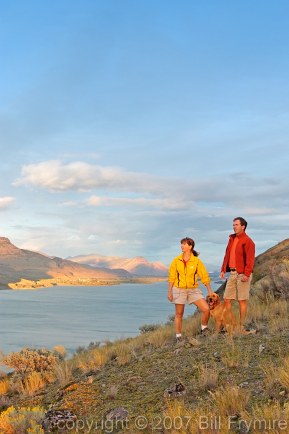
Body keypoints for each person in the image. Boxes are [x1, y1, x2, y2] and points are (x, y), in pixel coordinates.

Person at [168, 237, 213, 341]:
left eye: (184, 244)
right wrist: (169, 292)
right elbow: (172, 277)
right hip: (179, 289)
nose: (182, 246)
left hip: (193, 290)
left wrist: (209, 290)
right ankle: (178, 336)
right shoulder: (176, 260)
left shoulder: (197, 261)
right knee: (179, 314)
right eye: (181, 244)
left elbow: (204, 276)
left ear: (190, 246)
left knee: (206, 309)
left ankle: (204, 329)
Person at [220, 217, 255, 333]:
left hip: (243, 274)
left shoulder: (248, 241)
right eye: (233, 225)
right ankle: (231, 324)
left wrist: (246, 274)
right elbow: (227, 255)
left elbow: (250, 260)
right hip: (233, 273)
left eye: (236, 224)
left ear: (243, 226)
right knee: (226, 299)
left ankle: (241, 326)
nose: (234, 226)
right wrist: (223, 269)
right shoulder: (231, 239)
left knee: (242, 301)